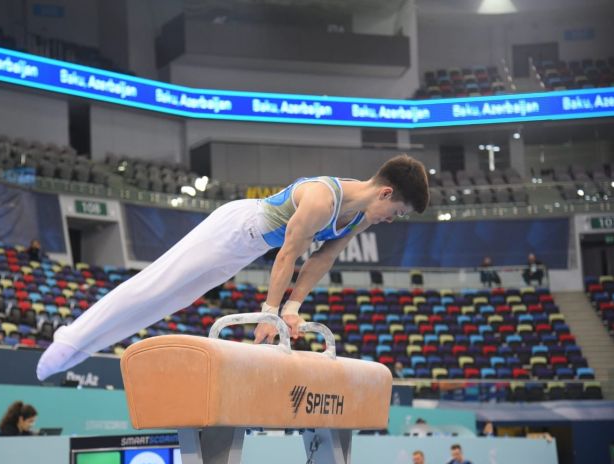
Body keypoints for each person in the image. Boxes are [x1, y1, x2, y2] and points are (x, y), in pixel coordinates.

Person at [36, 155, 430, 380]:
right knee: (155, 285)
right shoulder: (322, 199)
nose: (391, 219)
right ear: (385, 192)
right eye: (395, 212)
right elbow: (288, 254)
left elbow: (322, 257)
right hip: (234, 229)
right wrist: (270, 313)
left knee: (173, 300)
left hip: (244, 249)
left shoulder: (359, 216)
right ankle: (70, 338)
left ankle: (85, 347)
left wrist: (292, 309)